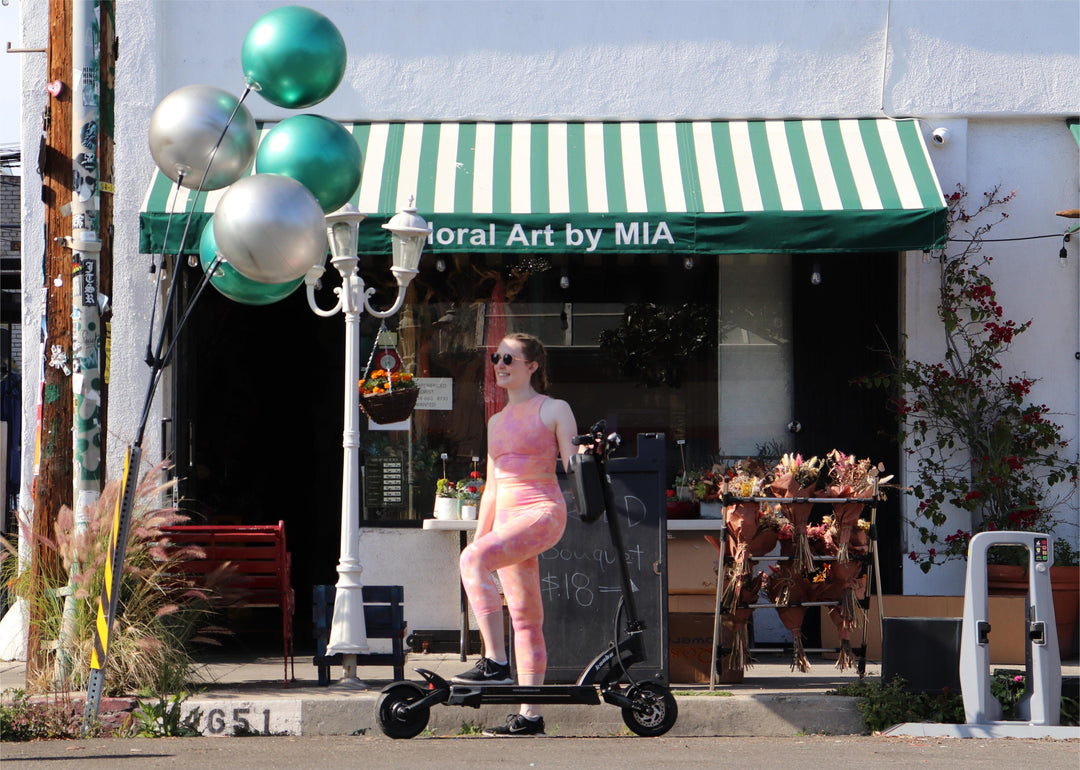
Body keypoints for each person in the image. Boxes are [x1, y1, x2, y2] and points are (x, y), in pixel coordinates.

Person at [452, 332, 578, 737]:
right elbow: (491, 486)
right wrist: (480, 537)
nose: (500, 365)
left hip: (542, 512)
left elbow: (575, 464)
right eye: (495, 358)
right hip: (507, 521)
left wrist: (588, 454)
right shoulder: (495, 421)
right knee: (525, 618)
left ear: (532, 366)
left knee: (473, 561)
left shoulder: (554, 409)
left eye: (509, 358)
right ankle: (531, 716)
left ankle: (495, 662)